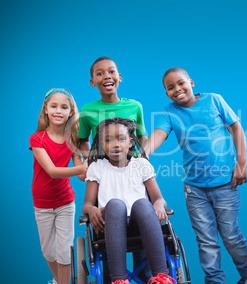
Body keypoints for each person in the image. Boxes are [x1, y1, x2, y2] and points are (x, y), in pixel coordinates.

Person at [144, 68, 247, 284]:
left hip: (225, 185)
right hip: (194, 190)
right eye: (170, 88)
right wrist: (143, 153)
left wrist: (242, 162)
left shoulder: (214, 101)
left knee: (231, 236)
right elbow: (158, 135)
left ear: (191, 82)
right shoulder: (170, 112)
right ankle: (215, 281)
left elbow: (236, 128)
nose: (177, 89)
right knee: (206, 241)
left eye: (181, 83)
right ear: (166, 93)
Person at [78, 56, 150, 281]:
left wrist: (143, 162)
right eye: (100, 73)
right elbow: (81, 140)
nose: (106, 76)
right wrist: (92, 162)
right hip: (104, 176)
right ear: (92, 82)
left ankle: (147, 274)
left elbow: (141, 137)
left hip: (132, 173)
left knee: (141, 218)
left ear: (119, 77)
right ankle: (112, 277)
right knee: (109, 220)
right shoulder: (88, 110)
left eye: (111, 72)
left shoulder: (134, 106)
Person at [82, 117, 176, 284]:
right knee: (116, 204)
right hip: (109, 225)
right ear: (102, 144)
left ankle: (161, 277)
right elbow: (87, 204)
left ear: (131, 142)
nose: (116, 144)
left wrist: (160, 204)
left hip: (140, 225)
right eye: (109, 140)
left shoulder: (141, 164)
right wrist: (92, 210)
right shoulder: (97, 167)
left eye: (121, 139)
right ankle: (119, 280)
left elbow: (158, 198)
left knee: (141, 203)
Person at [29, 88, 88, 284]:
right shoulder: (37, 139)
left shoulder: (72, 140)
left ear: (71, 112)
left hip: (65, 202)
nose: (58, 111)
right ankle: (58, 281)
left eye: (64, 107)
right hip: (42, 204)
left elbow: (80, 172)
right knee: (48, 251)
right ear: (46, 109)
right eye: (54, 106)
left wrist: (90, 169)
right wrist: (81, 169)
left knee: (63, 252)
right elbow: (52, 171)